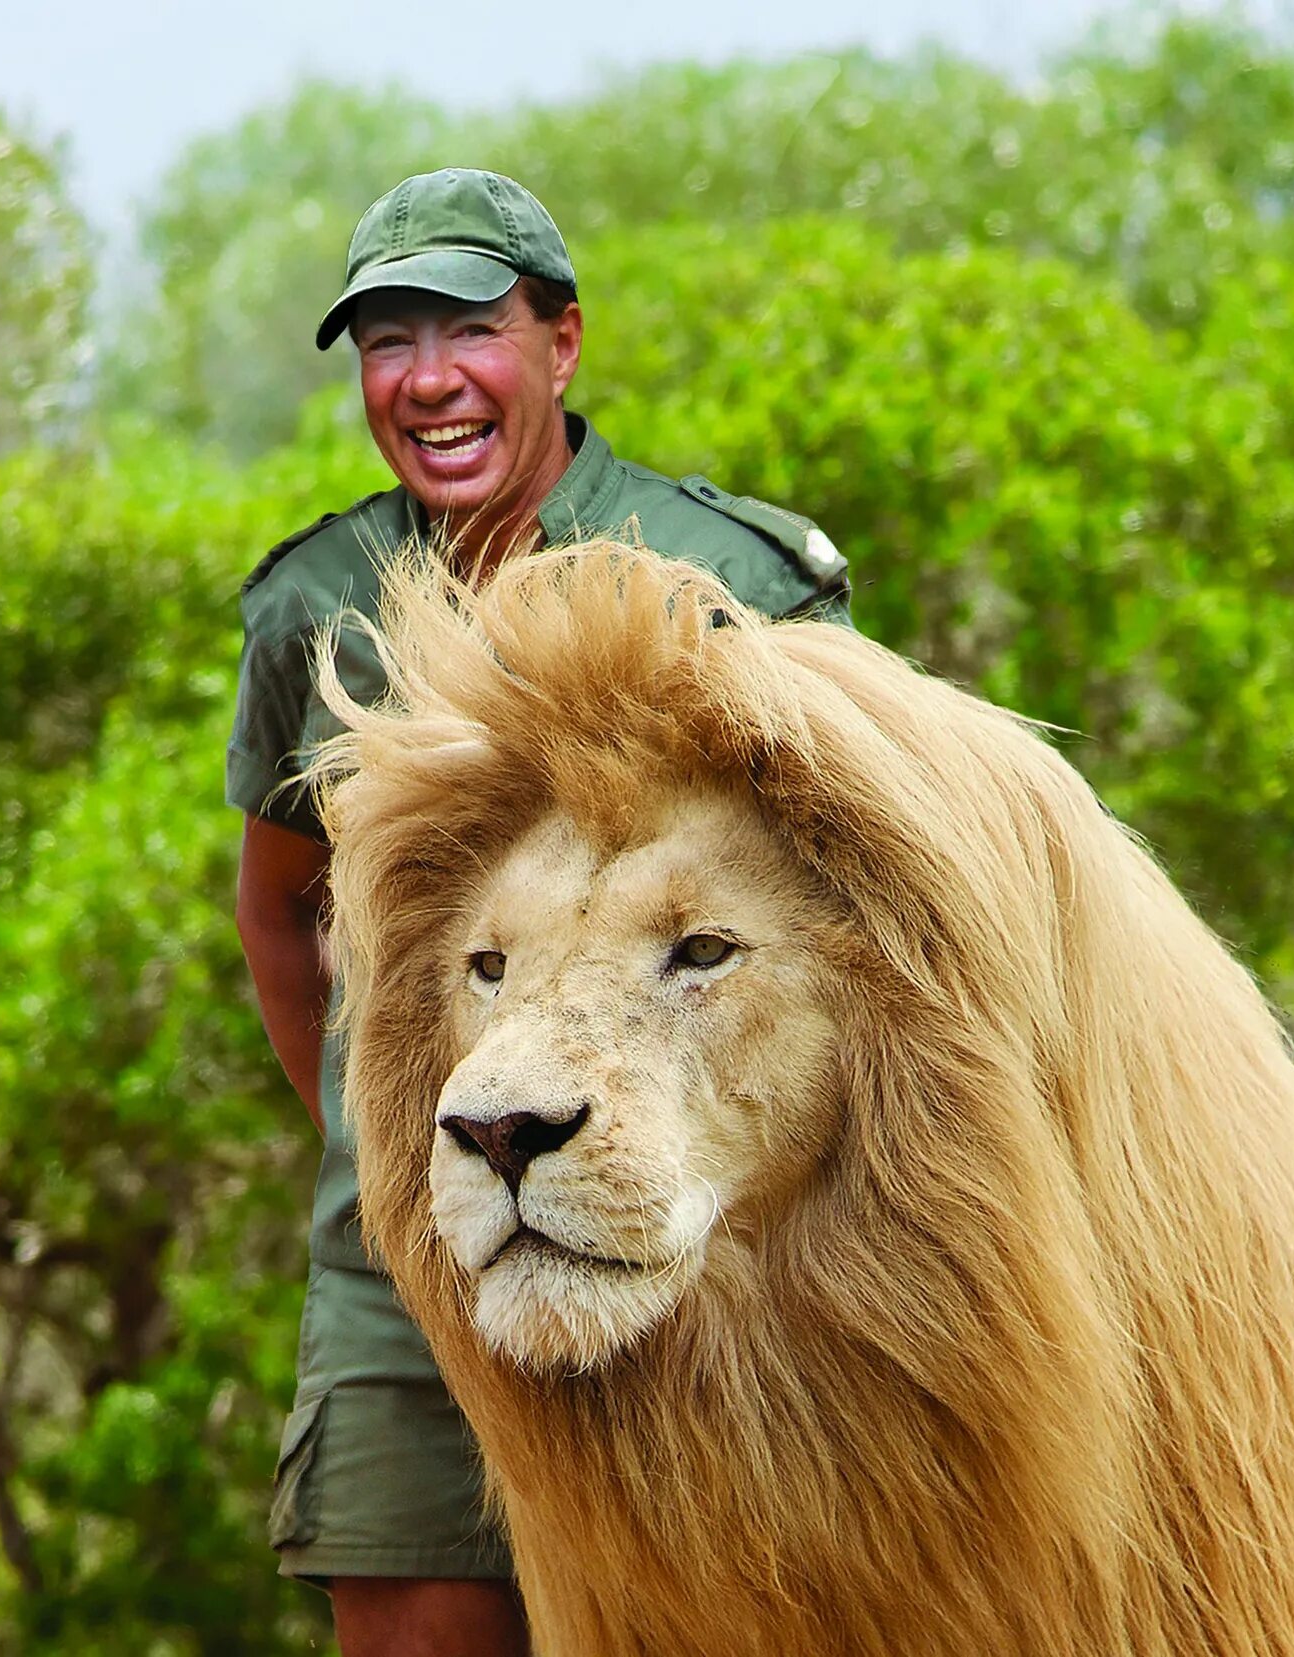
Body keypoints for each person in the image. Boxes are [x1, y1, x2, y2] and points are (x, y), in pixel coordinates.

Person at [224, 167, 851, 1657]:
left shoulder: (736, 578)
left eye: (468, 330)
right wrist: (386, 1141)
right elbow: (277, 916)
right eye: (386, 343)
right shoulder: (318, 606)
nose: (427, 379)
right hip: (416, 1262)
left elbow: (859, 921)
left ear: (561, 344)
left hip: (714, 1252)